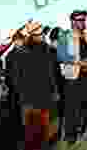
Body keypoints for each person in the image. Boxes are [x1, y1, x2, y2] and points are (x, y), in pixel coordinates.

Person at [58, 10, 87, 144]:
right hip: (73, 77)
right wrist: (78, 62)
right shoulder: (64, 36)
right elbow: (61, 56)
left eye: (84, 19)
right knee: (72, 108)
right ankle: (71, 138)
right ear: (72, 21)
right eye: (79, 20)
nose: (82, 22)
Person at [13, 21, 59, 150]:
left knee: (41, 136)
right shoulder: (22, 53)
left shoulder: (45, 51)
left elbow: (50, 74)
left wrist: (54, 91)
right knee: (32, 136)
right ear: (32, 35)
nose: (41, 36)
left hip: (41, 100)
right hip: (31, 101)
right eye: (38, 34)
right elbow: (17, 78)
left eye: (41, 34)